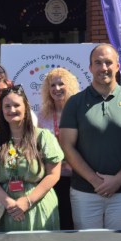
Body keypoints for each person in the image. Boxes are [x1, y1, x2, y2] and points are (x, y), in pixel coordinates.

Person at [59, 44, 121, 230]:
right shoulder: (75, 103)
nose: (103, 68)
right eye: (98, 62)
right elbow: (67, 146)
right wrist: (94, 180)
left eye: (108, 62)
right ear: (90, 67)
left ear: (117, 66)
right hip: (84, 192)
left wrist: (118, 180)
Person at [0, 85, 63, 231]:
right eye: (7, 106)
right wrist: (9, 203)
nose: (12, 110)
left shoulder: (43, 137)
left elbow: (54, 174)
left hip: (38, 208)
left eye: (16, 105)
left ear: (26, 107)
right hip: (5, 210)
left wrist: (27, 201)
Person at [36, 67, 79, 231]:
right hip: (53, 178)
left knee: (76, 222)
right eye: (52, 85)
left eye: (61, 84)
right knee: (58, 221)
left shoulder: (78, 111)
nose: (57, 89)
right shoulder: (42, 115)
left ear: (69, 85)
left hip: (78, 177)